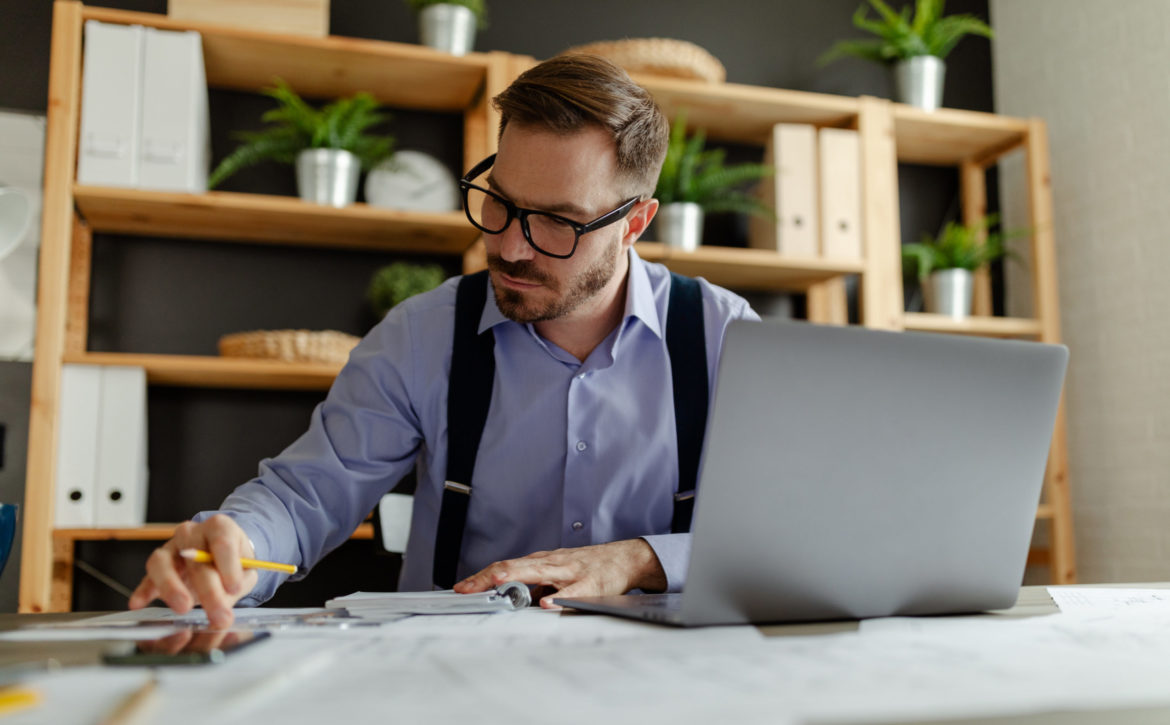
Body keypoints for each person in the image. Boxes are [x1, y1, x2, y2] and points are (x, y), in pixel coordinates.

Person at [129, 54, 760, 629]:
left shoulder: (726, 337)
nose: (510, 246)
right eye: (501, 203)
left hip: (669, 674)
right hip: (453, 674)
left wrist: (639, 560)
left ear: (634, 224)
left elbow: (786, 539)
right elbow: (304, 498)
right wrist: (238, 543)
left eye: (557, 222)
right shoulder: (422, 335)